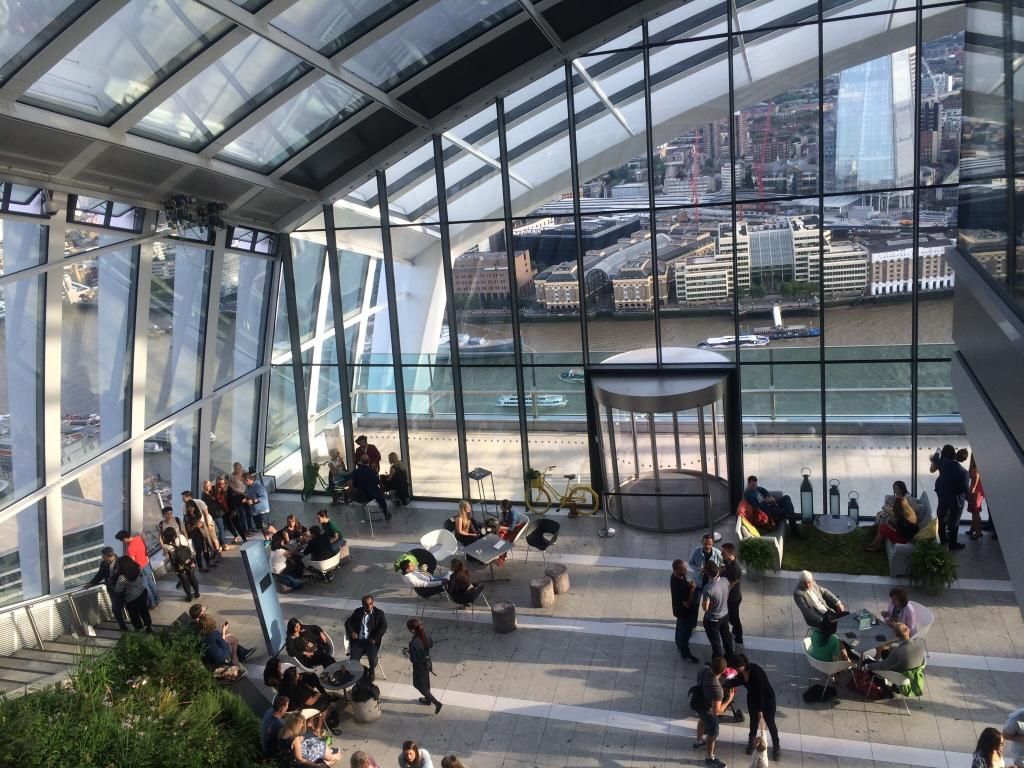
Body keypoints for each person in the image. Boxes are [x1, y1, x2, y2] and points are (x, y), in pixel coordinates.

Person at [729, 653, 781, 761]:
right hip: (752, 699)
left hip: (767, 699)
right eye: (735, 668)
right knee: (753, 721)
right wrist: (725, 683)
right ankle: (752, 740)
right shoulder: (741, 672)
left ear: (744, 664)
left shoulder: (756, 671)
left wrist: (760, 713)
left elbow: (760, 693)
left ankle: (776, 745)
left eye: (738, 668)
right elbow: (738, 681)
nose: (736, 670)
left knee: (770, 722)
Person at [693, 656, 734, 768]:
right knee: (712, 734)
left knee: (702, 720)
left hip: (698, 702)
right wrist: (729, 699)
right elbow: (717, 711)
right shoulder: (717, 690)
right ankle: (709, 758)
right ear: (724, 670)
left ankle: (698, 742)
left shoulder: (704, 669)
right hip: (708, 710)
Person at [863, 622, 925, 695]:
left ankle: (886, 689)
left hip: (900, 676)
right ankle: (895, 687)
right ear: (908, 630)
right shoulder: (919, 642)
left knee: (867, 662)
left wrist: (867, 666)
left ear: (895, 635)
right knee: (885, 653)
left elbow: (883, 666)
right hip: (913, 671)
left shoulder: (898, 651)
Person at [930, 444, 969, 550]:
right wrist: (969, 499)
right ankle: (953, 544)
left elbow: (935, 458)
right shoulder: (964, 472)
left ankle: (943, 540)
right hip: (956, 500)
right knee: (954, 522)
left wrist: (938, 450)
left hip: (943, 495)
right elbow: (965, 490)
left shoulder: (942, 463)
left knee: (942, 518)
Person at [189, 604, 256, 663]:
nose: (204, 610)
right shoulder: (203, 625)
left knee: (229, 637)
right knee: (232, 639)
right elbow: (222, 642)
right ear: (200, 614)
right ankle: (238, 657)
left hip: (211, 650)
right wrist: (224, 632)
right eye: (202, 611)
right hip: (220, 655)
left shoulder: (196, 623)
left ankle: (241, 652)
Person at [345, 595, 387, 680]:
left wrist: (374, 638)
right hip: (358, 641)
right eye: (366, 604)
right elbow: (347, 623)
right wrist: (352, 632)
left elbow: (383, 627)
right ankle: (360, 672)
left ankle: (371, 670)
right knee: (353, 660)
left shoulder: (379, 613)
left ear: (373, 603)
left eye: (370, 604)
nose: (369, 606)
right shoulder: (358, 611)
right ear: (363, 604)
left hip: (370, 642)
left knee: (373, 659)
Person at [87, 547, 129, 630]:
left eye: (103, 556)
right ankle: (123, 627)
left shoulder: (121, 562)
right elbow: (99, 575)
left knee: (130, 607)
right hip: (113, 591)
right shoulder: (104, 564)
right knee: (115, 609)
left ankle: (139, 625)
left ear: (108, 555)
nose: (102, 558)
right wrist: (91, 583)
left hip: (123, 590)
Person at [115, 529, 159, 609]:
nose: (122, 542)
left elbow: (132, 563)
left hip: (140, 568)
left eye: (121, 540)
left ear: (124, 538)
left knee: (145, 586)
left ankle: (152, 604)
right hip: (146, 563)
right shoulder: (138, 538)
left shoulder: (130, 549)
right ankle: (157, 600)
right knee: (151, 583)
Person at [407, 618, 443, 713]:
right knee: (426, 683)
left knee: (418, 685)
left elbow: (414, 660)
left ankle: (436, 702)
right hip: (427, 662)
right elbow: (431, 645)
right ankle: (428, 700)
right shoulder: (426, 635)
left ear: (412, 630)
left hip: (419, 667)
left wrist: (408, 654)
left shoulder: (413, 643)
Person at [701, 562, 734, 661]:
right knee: (726, 637)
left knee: (716, 643)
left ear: (707, 573)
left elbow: (705, 608)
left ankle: (719, 663)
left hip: (712, 619)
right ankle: (730, 657)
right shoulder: (725, 580)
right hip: (725, 615)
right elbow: (727, 594)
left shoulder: (708, 588)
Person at [670, 559, 701, 663]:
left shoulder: (674, 576)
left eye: (686, 568)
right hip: (685, 613)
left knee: (679, 628)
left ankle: (678, 643)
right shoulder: (680, 586)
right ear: (676, 570)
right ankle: (685, 653)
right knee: (685, 633)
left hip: (678, 610)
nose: (686, 571)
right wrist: (692, 590)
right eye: (683, 569)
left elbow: (685, 578)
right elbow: (687, 604)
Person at [114, 555, 152, 633]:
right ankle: (148, 627)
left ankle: (139, 628)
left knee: (134, 615)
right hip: (142, 592)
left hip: (131, 599)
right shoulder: (137, 568)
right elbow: (142, 578)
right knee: (144, 610)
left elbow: (118, 590)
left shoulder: (122, 577)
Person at [162, 527, 200, 601]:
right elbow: (188, 545)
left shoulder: (166, 546)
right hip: (189, 560)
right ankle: (197, 593)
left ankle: (189, 597)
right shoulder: (181, 537)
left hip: (178, 565)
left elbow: (165, 555)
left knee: (184, 581)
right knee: (192, 577)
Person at [352, 454, 390, 521]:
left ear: (360, 461)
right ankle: (386, 514)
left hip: (359, 496)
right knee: (379, 495)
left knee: (376, 491)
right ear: (369, 461)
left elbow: (354, 485)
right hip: (370, 495)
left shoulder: (355, 472)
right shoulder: (371, 471)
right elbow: (377, 482)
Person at [183, 496, 216, 572]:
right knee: (199, 550)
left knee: (205, 548)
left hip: (202, 533)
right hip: (195, 535)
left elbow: (201, 522)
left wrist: (202, 524)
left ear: (195, 507)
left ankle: (208, 562)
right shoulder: (187, 517)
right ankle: (200, 567)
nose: (191, 509)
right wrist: (195, 525)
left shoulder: (198, 514)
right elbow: (188, 530)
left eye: (192, 507)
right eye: (189, 507)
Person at [720, 542, 743, 646]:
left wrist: (721, 596)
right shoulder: (727, 561)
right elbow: (723, 569)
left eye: (723, 553)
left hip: (733, 598)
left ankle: (739, 638)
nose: (721, 554)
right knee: (731, 617)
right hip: (730, 597)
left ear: (731, 553)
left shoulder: (735, 568)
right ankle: (734, 631)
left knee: (734, 619)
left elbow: (729, 587)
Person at [201, 479, 231, 549]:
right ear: (205, 486)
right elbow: (209, 507)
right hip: (215, 514)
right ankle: (224, 544)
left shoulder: (208, 493)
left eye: (210, 485)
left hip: (215, 513)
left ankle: (220, 544)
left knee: (219, 529)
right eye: (208, 485)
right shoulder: (205, 495)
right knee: (221, 528)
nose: (210, 487)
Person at [214, 475, 245, 543]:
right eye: (219, 483)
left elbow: (232, 500)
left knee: (237, 524)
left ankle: (244, 538)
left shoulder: (228, 489)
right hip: (223, 511)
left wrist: (234, 510)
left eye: (222, 483)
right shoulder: (215, 490)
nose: (221, 485)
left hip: (231, 509)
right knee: (229, 525)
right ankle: (236, 536)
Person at [228, 462, 254, 533]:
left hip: (245, 495)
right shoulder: (232, 476)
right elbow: (231, 488)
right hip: (237, 496)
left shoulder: (244, 473)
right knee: (241, 513)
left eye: (239, 468)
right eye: (236, 469)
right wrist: (242, 493)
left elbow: (251, 478)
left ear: (241, 467)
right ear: (234, 468)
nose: (237, 470)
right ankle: (244, 530)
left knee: (248, 511)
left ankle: (250, 527)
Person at [968, 453, 987, 541]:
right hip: (978, 490)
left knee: (975, 512)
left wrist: (969, 493)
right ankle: (973, 528)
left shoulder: (975, 469)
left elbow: (974, 484)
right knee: (974, 511)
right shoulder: (976, 467)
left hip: (976, 492)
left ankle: (978, 532)